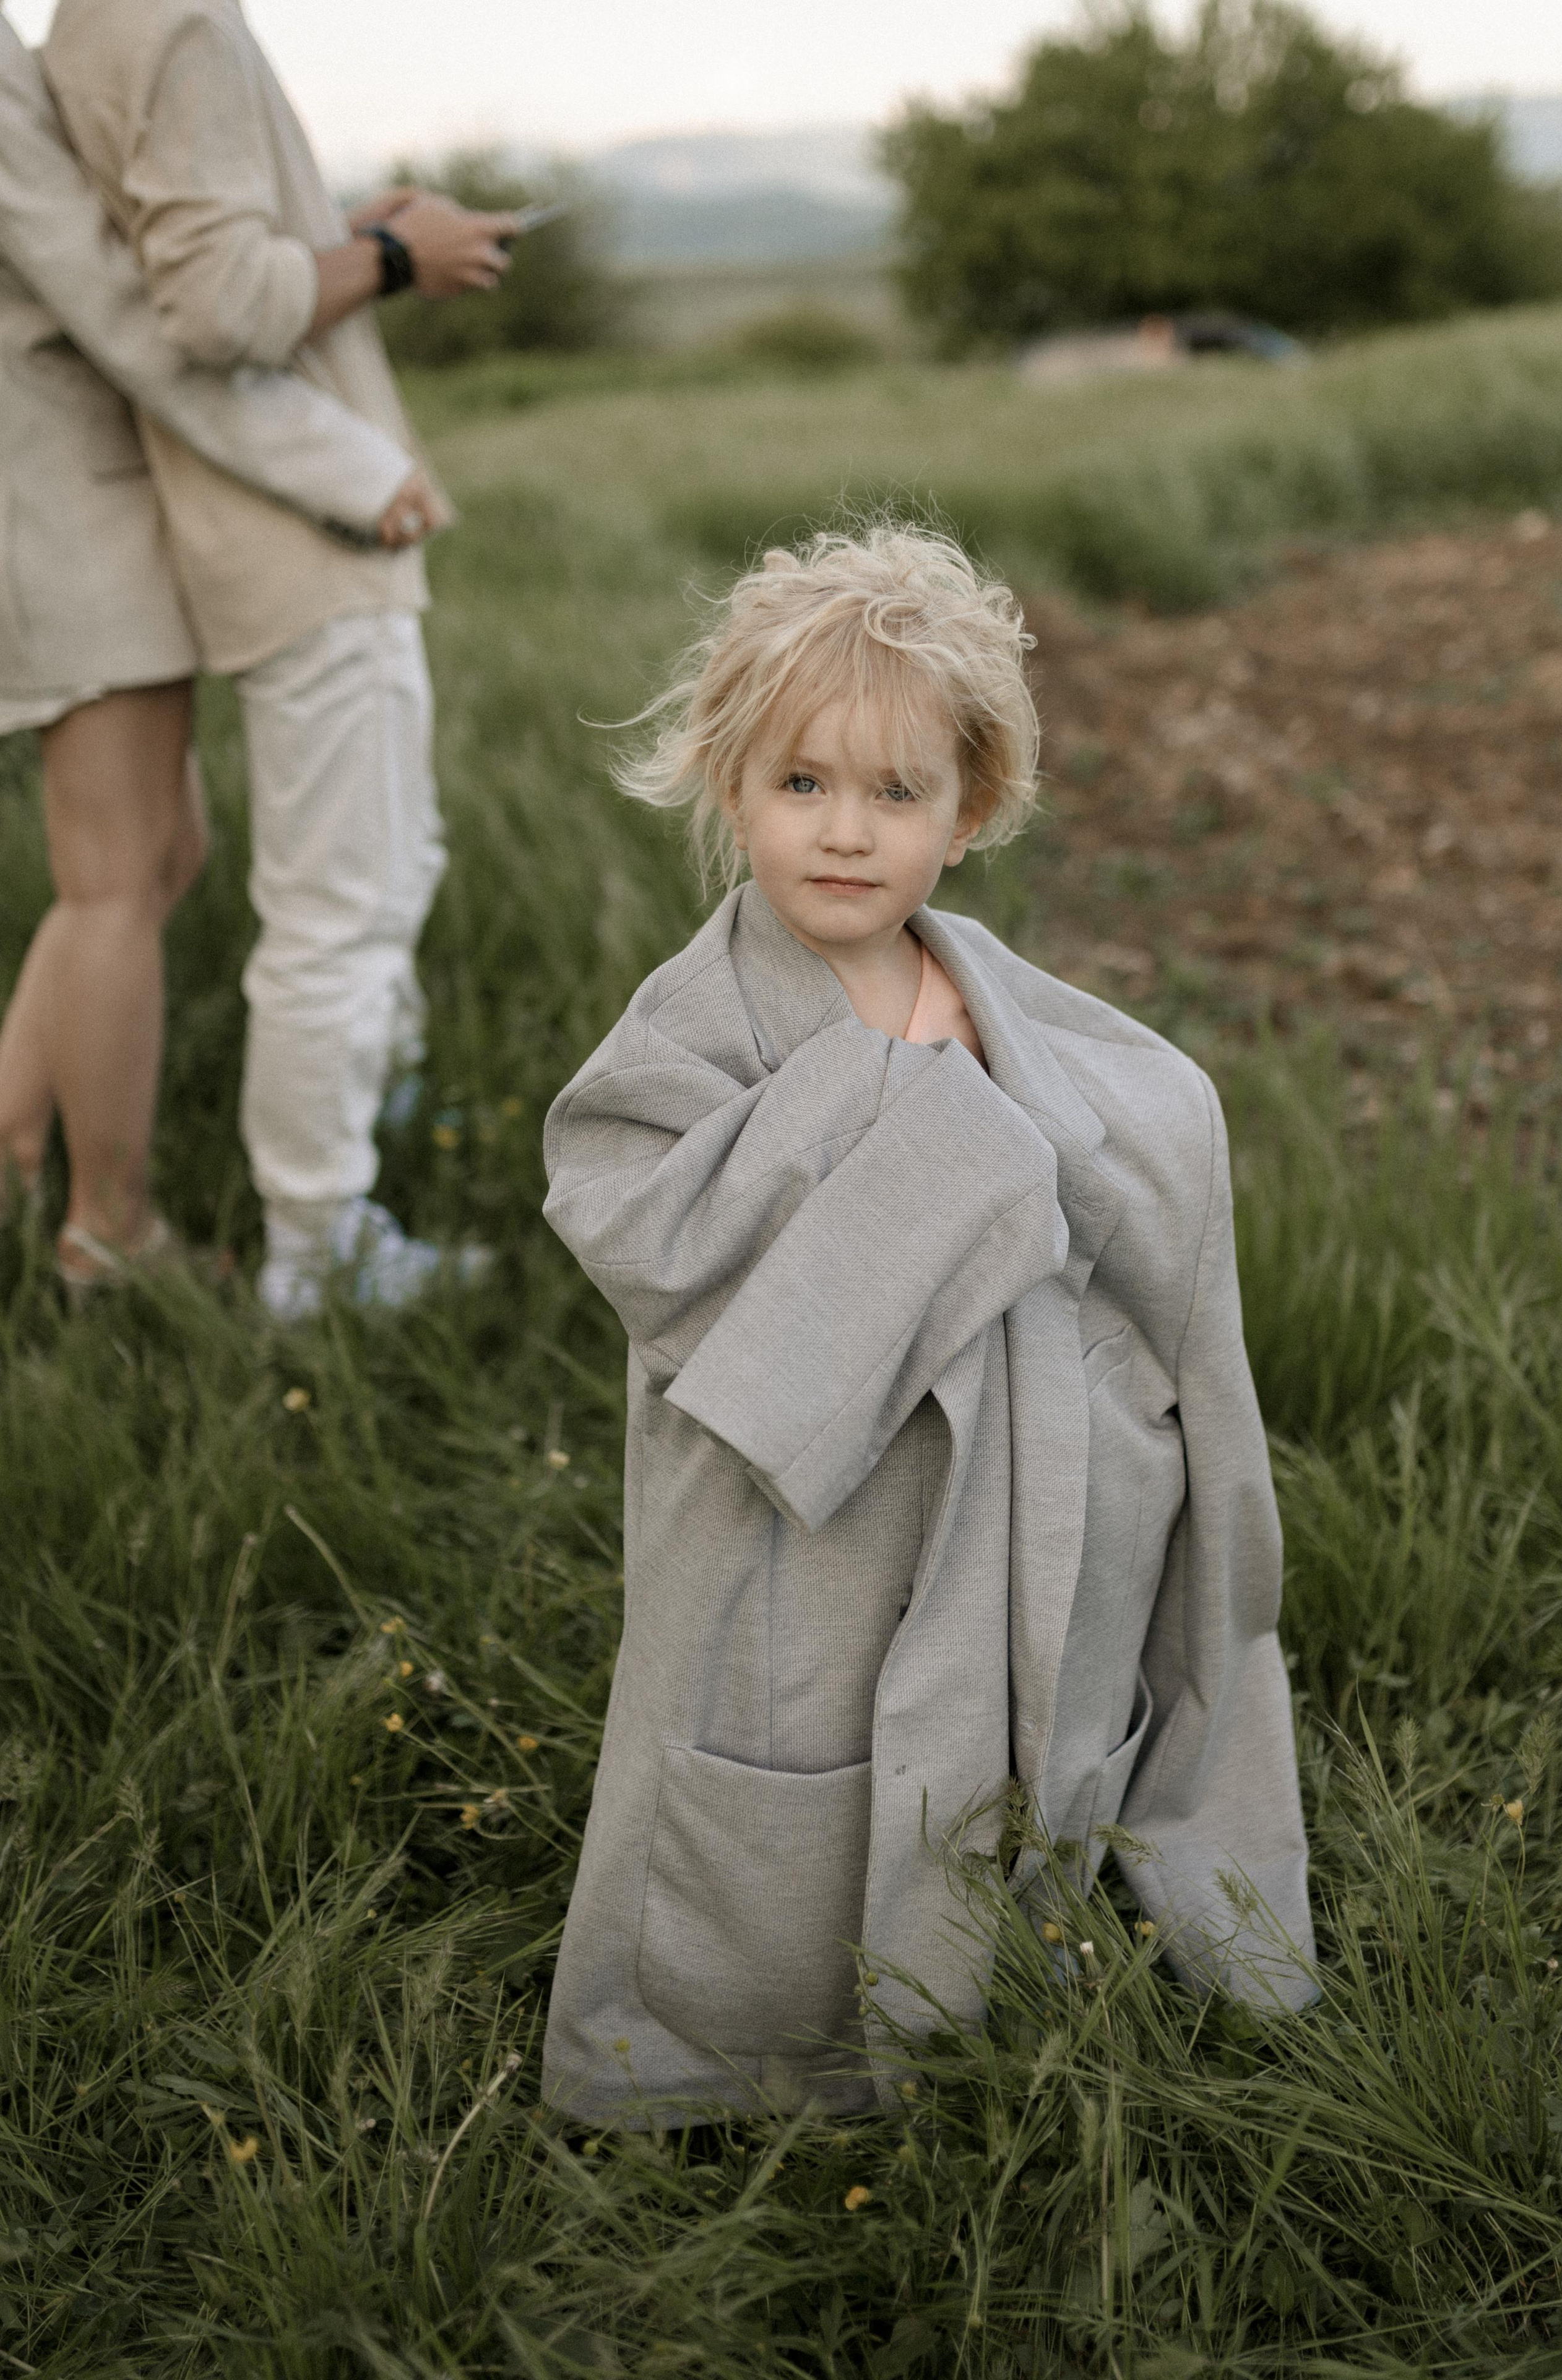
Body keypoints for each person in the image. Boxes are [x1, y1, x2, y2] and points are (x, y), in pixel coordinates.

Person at [539, 525, 1314, 2126]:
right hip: (791, 1536)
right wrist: (915, 1122)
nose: (845, 833)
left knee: (986, 1768)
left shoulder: (986, 990)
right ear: (731, 786)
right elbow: (640, 1216)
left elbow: (1121, 1130)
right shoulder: (694, 1030)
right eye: (803, 784)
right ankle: (725, 2062)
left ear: (970, 812)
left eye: (898, 795)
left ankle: (993, 2013)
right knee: (790, 1800)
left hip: (1000, 1498)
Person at [44, 0, 523, 1318]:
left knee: (378, 871)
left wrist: (343, 229)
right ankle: (319, 1247)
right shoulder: (170, 17)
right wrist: (388, 253)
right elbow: (208, 304)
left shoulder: (94, 27)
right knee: (338, 915)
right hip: (299, 536)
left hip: (266, 531)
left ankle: (361, 1140)